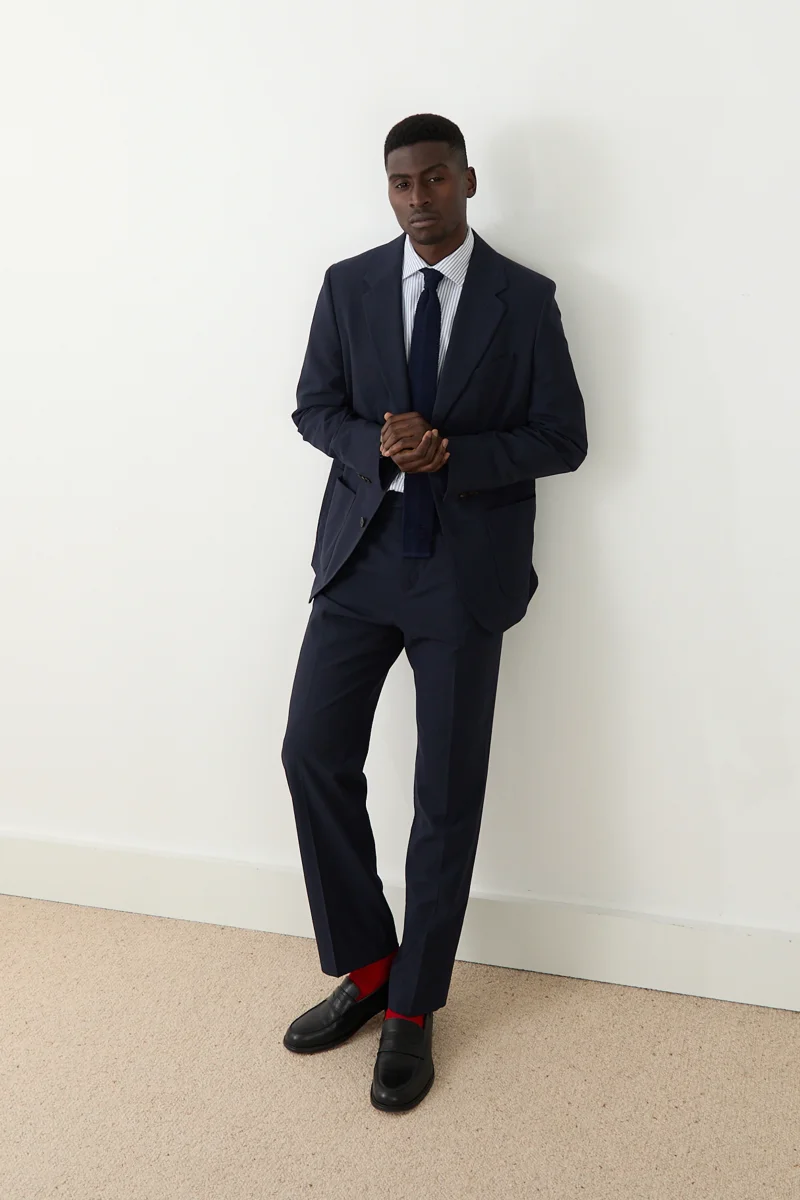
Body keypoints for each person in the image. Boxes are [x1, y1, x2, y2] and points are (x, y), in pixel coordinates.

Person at [281, 113, 587, 1112]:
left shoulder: (523, 299)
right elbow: (313, 407)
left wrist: (453, 452)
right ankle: (371, 966)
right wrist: (377, 445)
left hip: (462, 574)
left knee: (444, 795)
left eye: (435, 178)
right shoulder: (348, 286)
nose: (418, 198)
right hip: (362, 562)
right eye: (401, 182)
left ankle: (412, 1007)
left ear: (467, 180)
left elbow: (562, 436)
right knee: (310, 752)